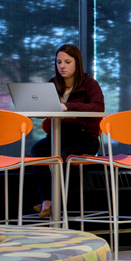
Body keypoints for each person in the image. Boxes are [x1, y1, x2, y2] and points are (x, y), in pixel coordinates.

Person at [29, 44, 105, 218]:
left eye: (67, 62)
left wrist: (67, 106)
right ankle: (46, 202)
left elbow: (98, 107)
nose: (62, 66)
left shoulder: (89, 84)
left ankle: (58, 203)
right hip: (59, 134)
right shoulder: (52, 84)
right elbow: (47, 111)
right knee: (37, 150)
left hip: (85, 136)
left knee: (62, 154)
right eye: (59, 62)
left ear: (77, 63)